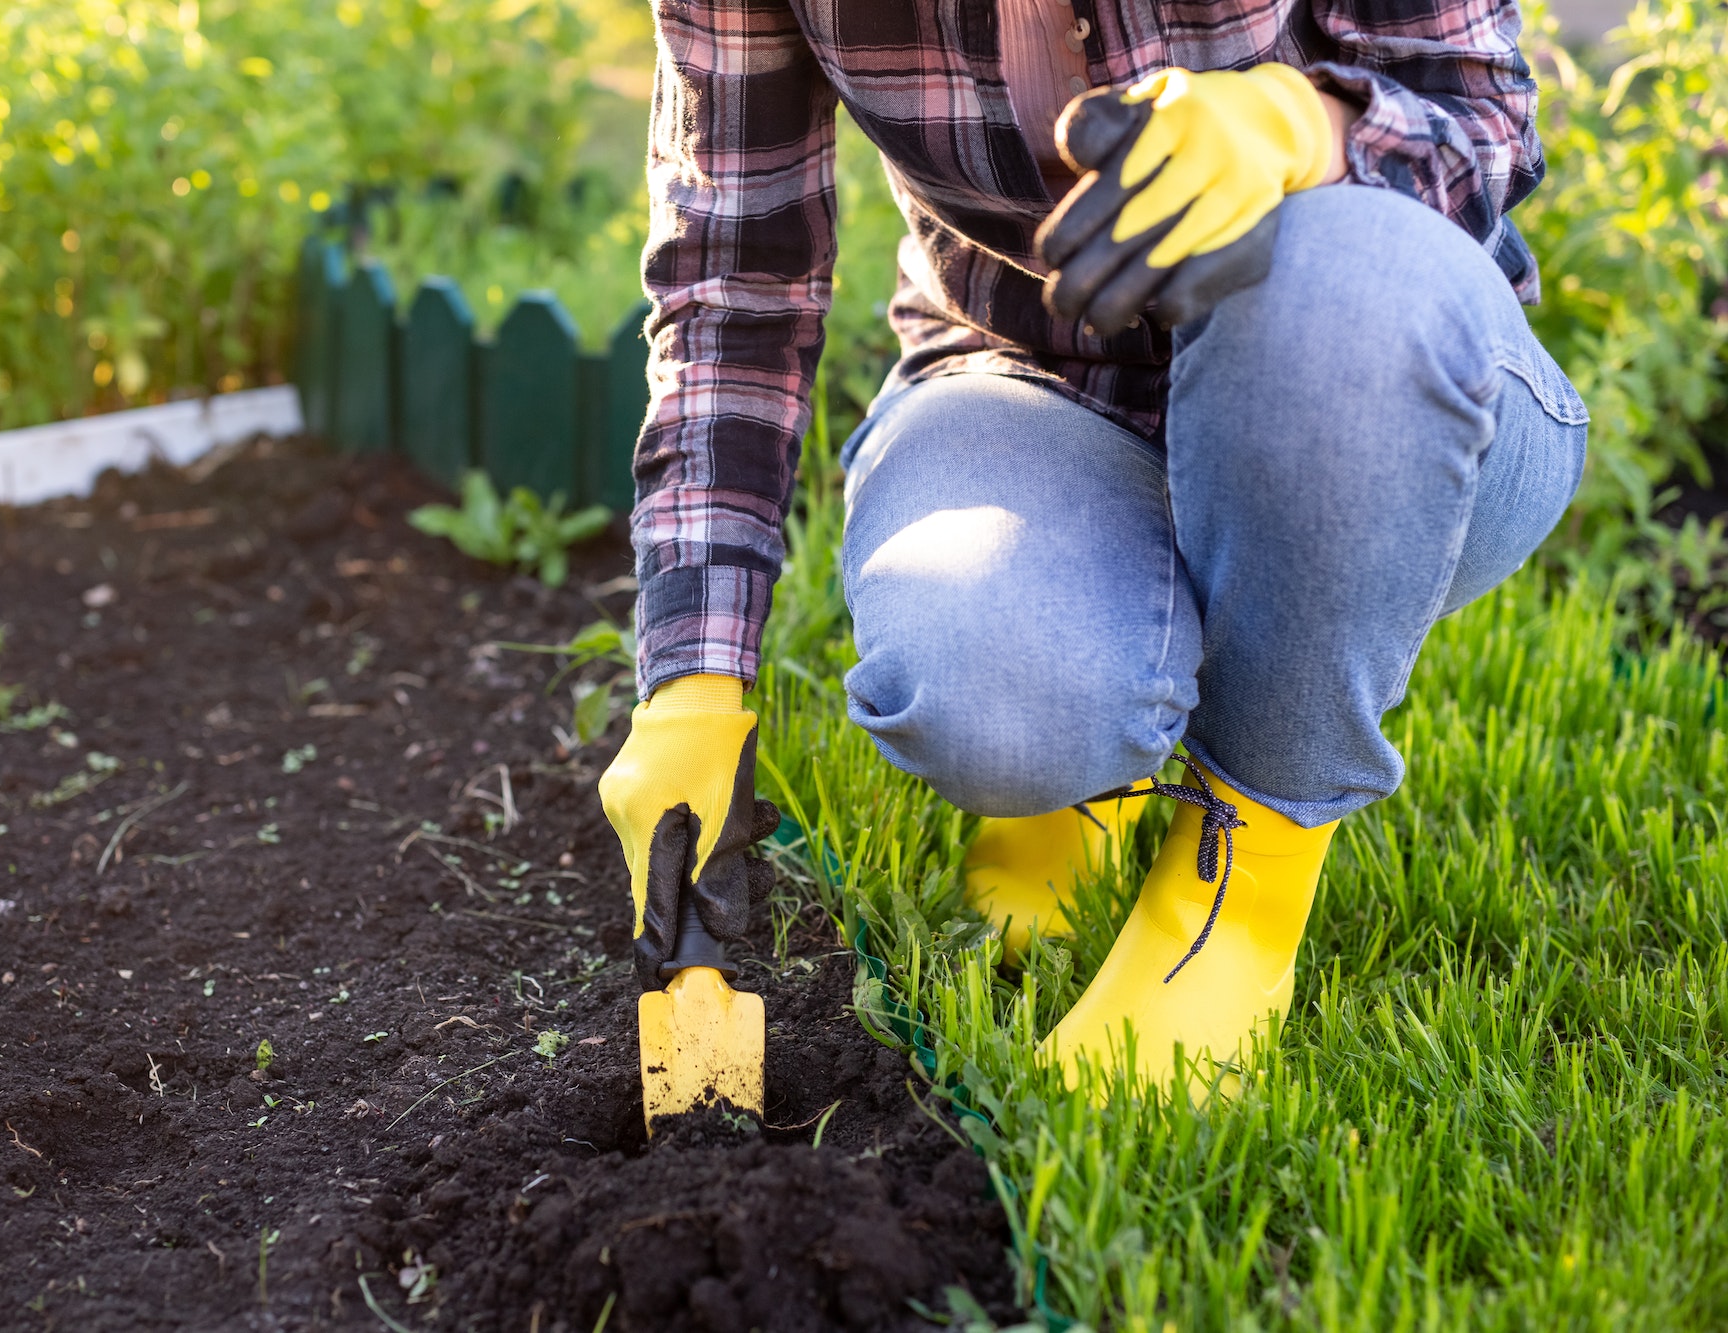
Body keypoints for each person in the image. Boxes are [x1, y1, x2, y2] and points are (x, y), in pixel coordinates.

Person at [598, 0, 1587, 1097]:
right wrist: (690, 686)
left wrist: (1291, 126)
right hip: (1030, 376)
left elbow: (1479, 110)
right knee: (985, 684)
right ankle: (1078, 779)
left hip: (1376, 382)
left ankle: (1237, 887)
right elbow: (734, 286)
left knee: (1348, 277)